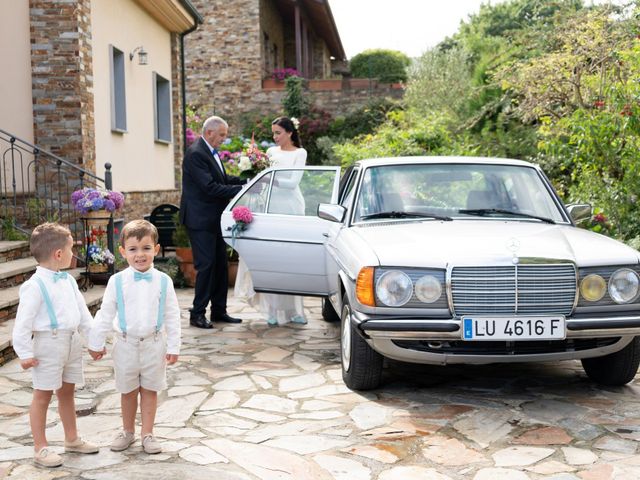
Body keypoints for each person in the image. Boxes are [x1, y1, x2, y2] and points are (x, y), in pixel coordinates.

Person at [88, 220, 180, 454]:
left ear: (156, 250)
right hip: (126, 344)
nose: (140, 255)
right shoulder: (116, 281)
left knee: (150, 389)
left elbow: (172, 314)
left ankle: (147, 433)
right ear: (123, 252)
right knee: (127, 390)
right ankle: (127, 431)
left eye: (146, 248)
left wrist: (174, 345)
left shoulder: (163, 281)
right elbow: (106, 313)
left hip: (154, 343)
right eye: (133, 249)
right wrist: (96, 342)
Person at [12, 222, 98, 468]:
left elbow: (83, 315)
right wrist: (25, 353)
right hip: (47, 345)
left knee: (68, 392)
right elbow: (22, 325)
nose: (74, 254)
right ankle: (40, 447)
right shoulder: (34, 286)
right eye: (72, 249)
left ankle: (72, 439)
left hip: (71, 342)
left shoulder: (69, 282)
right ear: (58, 254)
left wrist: (93, 341)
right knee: (42, 395)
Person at [235, 116, 308, 326]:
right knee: (271, 259)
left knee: (290, 260)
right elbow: (262, 181)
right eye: (273, 132)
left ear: (290, 133)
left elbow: (293, 182)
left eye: (278, 132)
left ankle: (295, 310)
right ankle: (272, 310)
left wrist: (267, 177)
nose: (275, 137)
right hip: (269, 206)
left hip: (291, 208)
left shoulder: (300, 153)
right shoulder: (270, 153)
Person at [180, 115, 246, 328]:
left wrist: (249, 180)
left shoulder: (210, 152)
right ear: (209, 132)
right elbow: (210, 187)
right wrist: (243, 190)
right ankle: (197, 313)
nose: (224, 140)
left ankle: (219, 311)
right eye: (222, 135)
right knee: (206, 266)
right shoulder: (196, 154)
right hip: (200, 219)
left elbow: (223, 180)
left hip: (215, 218)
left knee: (220, 265)